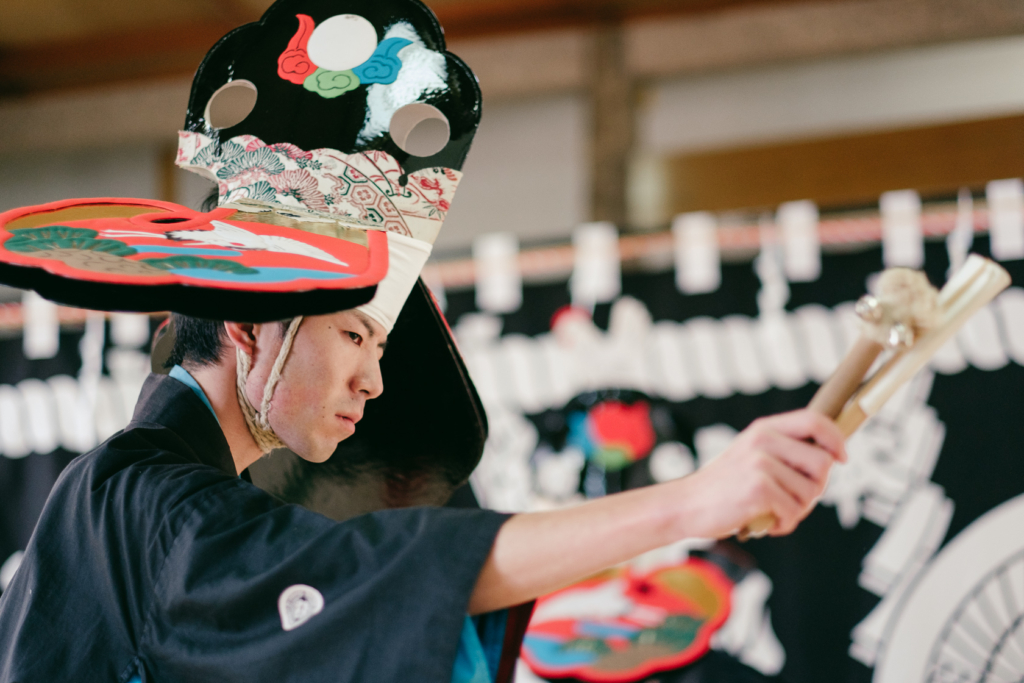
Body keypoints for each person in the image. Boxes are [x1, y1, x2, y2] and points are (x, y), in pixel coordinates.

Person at [0, 0, 845, 681]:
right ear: (253, 329)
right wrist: (694, 502)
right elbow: (378, 569)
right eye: (356, 336)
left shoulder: (142, 493)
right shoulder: (144, 496)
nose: (372, 380)